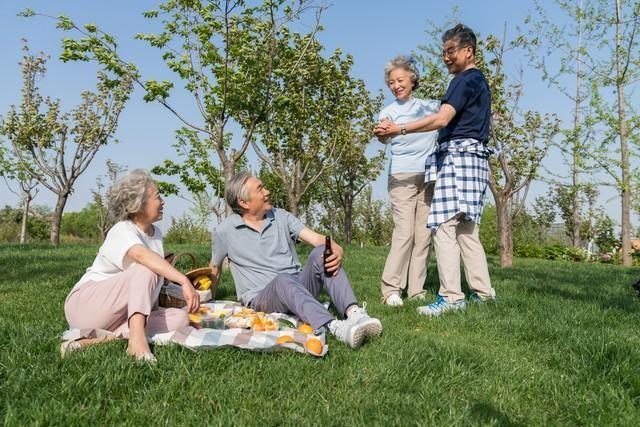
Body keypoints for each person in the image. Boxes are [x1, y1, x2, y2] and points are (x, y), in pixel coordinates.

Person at [374, 24, 497, 316]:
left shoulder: (464, 80)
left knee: (443, 227)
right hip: (470, 159)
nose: (445, 58)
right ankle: (483, 292)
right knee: (466, 229)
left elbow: (441, 119)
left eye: (451, 51)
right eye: (443, 52)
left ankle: (451, 297)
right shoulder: (476, 80)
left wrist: (400, 129)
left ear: (469, 51)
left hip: (458, 158)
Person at [209, 171, 382, 348]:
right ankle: (334, 327)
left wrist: (336, 248)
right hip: (263, 298)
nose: (267, 192)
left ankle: (355, 314)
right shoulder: (225, 231)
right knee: (282, 279)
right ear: (243, 202)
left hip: (298, 285)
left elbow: (315, 239)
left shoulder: (281, 216)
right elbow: (214, 269)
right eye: (260, 189)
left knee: (323, 252)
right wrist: (206, 301)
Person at [62, 169, 199, 363]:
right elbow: (141, 257)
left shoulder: (155, 234)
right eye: (158, 197)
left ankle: (95, 341)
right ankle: (137, 343)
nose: (163, 202)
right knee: (147, 267)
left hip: (117, 315)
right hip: (86, 306)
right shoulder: (121, 230)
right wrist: (184, 280)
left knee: (180, 319)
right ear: (138, 205)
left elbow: (145, 287)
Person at [377, 54, 439, 307]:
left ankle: (416, 290)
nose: (396, 85)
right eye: (391, 82)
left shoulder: (429, 107)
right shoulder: (389, 112)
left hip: (428, 176)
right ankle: (391, 289)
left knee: (423, 236)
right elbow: (383, 136)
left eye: (400, 80)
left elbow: (447, 116)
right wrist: (382, 132)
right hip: (401, 177)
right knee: (404, 233)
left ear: (412, 80)